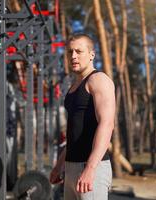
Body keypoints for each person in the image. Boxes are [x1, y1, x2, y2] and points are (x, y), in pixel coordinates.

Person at [49, 33, 115, 200]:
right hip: (72, 168)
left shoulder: (98, 80)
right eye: (70, 52)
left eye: (79, 51)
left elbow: (107, 124)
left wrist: (91, 168)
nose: (73, 56)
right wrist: (59, 166)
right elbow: (74, 133)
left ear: (92, 54)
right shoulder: (73, 87)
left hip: (92, 167)